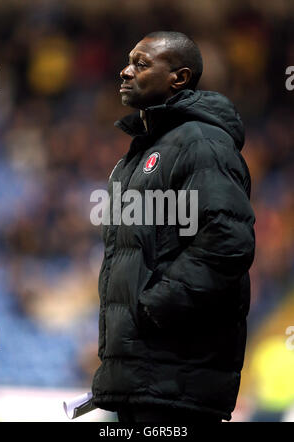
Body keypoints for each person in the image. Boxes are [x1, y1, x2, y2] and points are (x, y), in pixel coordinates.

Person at [91, 31, 255, 423]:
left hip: (177, 378)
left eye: (142, 64)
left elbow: (228, 240)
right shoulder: (144, 151)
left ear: (178, 78)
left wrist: (154, 308)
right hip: (146, 377)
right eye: (129, 61)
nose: (125, 71)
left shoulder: (201, 143)